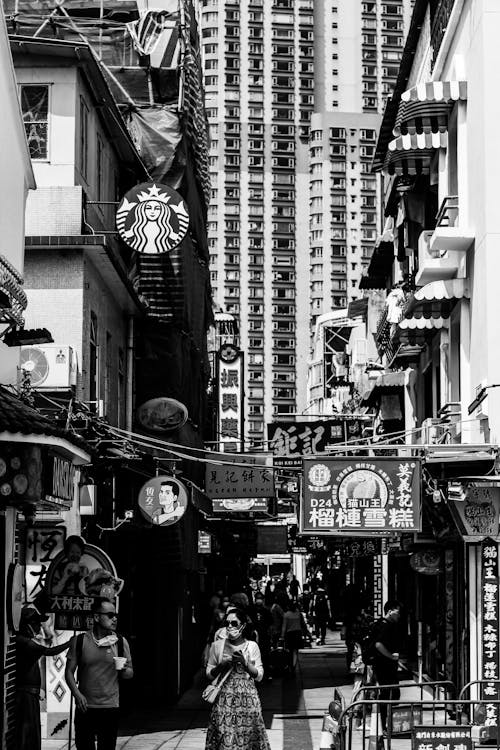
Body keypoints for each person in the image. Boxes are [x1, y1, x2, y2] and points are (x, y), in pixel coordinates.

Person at [65, 597, 133, 750]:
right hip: (85, 707)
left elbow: (130, 674)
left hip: (110, 707)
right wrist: (77, 694)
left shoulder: (121, 642)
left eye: (115, 615)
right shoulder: (80, 641)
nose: (114, 618)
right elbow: (68, 672)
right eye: (110, 615)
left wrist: (122, 669)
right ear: (96, 617)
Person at [205, 607, 270, 750]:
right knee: (225, 740)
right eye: (227, 623)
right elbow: (209, 674)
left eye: (234, 623)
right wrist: (221, 666)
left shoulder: (252, 646)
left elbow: (259, 675)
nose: (230, 626)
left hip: (248, 703)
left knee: (248, 740)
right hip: (224, 703)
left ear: (243, 625)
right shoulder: (217, 646)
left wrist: (245, 663)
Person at [15, 605, 72, 750]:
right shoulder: (24, 642)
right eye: (36, 623)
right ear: (27, 624)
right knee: (26, 733)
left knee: (30, 732)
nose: (39, 627)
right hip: (26, 695)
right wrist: (69, 643)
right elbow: (50, 651)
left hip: (30, 694)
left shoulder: (26, 641)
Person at [372, 600, 402, 731]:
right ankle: (386, 725)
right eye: (397, 612)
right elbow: (378, 645)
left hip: (385, 666)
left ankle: (389, 724)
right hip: (384, 666)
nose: (399, 615)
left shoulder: (382, 624)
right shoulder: (385, 626)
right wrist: (391, 656)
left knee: (391, 694)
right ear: (389, 611)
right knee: (389, 695)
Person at [281, 599, 307, 674]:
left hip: (289, 634)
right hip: (297, 633)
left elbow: (284, 627)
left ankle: (289, 665)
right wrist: (305, 633)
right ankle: (293, 666)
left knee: (289, 651)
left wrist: (282, 636)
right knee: (295, 651)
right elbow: (303, 624)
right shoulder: (299, 614)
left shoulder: (286, 615)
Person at [253, 593, 273, 681]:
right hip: (254, 637)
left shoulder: (266, 611)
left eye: (260, 598)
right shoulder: (251, 610)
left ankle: (266, 674)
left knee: (265, 656)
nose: (259, 600)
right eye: (258, 598)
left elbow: (270, 623)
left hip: (264, 636)